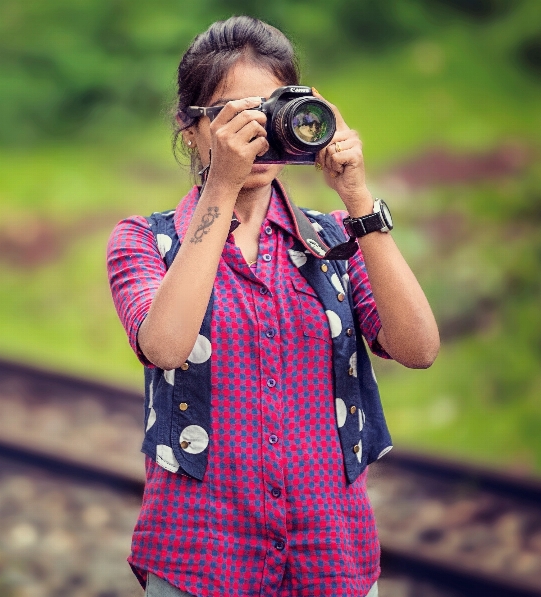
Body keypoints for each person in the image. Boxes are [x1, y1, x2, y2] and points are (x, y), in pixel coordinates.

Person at [106, 15, 440, 597]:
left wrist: (358, 198)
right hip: (199, 556)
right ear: (192, 129)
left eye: (273, 109)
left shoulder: (336, 239)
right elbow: (165, 346)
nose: (259, 133)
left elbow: (418, 348)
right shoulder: (143, 241)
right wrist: (221, 188)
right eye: (237, 116)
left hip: (330, 555)